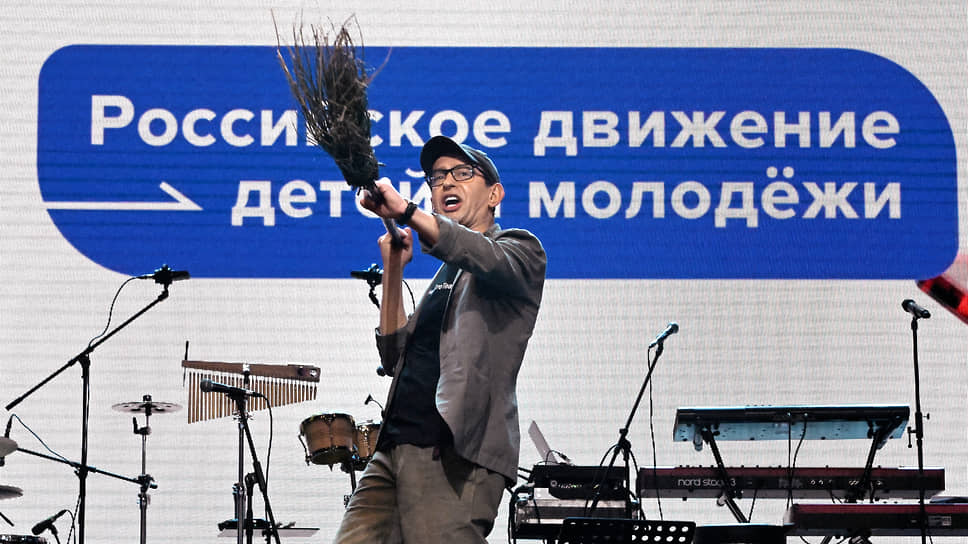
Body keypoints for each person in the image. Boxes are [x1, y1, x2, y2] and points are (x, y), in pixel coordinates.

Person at [334, 135, 546, 543]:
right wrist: (393, 270)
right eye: (436, 177)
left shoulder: (520, 251)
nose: (446, 182)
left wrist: (407, 211)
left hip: (452, 452)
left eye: (462, 173)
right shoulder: (443, 278)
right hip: (394, 446)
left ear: (495, 194)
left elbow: (479, 254)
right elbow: (394, 355)